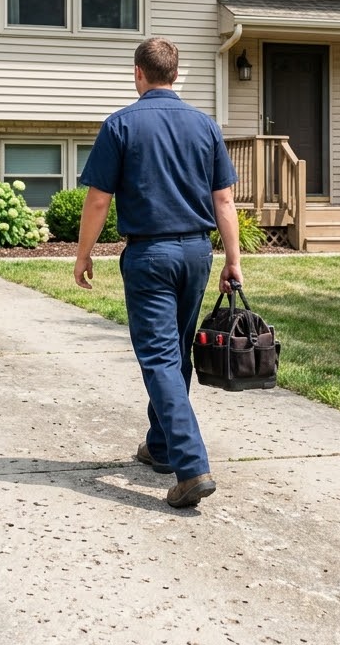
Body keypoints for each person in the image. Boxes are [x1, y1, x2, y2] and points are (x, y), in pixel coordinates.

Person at [74, 37, 243, 509]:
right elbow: (224, 199)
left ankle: (191, 468)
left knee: (160, 357)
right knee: (176, 352)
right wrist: (232, 259)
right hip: (196, 253)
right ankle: (162, 445)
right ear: (175, 73)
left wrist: (83, 254)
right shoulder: (205, 125)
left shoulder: (121, 124)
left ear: (138, 73)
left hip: (150, 255)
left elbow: (99, 200)